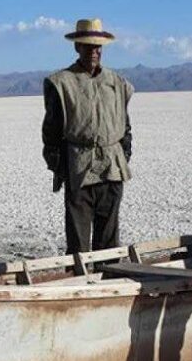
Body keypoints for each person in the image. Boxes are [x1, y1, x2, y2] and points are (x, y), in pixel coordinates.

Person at [42, 18, 134, 254]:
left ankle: (109, 280)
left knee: (109, 239)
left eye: (98, 47)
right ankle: (81, 284)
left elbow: (125, 124)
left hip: (112, 168)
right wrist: (59, 166)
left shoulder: (117, 82)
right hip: (79, 168)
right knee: (78, 241)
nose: (94, 52)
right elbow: (51, 132)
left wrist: (123, 154)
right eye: (88, 46)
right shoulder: (61, 83)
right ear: (77, 47)